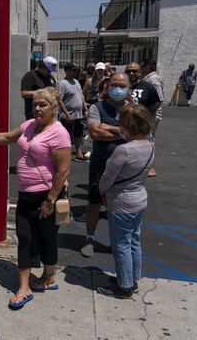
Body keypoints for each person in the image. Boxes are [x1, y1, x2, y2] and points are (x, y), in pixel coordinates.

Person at [0, 88, 71, 310]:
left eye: (42, 105)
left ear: (54, 107)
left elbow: (63, 171)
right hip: (26, 193)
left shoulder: (59, 133)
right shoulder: (29, 126)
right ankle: (26, 286)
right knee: (25, 237)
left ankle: (47, 278)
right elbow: (6, 137)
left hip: (47, 195)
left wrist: (51, 200)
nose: (37, 108)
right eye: (35, 104)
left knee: (47, 237)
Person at [97, 104, 154, 298]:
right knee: (134, 241)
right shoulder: (149, 145)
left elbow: (107, 178)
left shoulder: (123, 151)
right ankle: (131, 278)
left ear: (127, 126)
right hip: (139, 199)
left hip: (121, 203)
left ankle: (124, 285)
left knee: (121, 244)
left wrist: (101, 192)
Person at [79, 73, 130, 258]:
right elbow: (94, 133)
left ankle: (115, 241)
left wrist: (106, 128)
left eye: (122, 85)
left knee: (117, 205)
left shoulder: (133, 110)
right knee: (94, 202)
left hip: (125, 167)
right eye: (114, 84)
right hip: (100, 164)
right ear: (107, 88)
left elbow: (138, 134)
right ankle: (90, 238)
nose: (118, 88)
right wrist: (123, 133)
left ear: (129, 88)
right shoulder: (97, 108)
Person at [58, 63, 88, 161]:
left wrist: (85, 109)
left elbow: (81, 96)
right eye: (73, 70)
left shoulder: (76, 81)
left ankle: (79, 154)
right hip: (68, 115)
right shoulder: (62, 83)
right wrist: (67, 114)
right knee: (67, 137)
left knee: (78, 135)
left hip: (78, 114)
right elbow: (59, 100)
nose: (76, 72)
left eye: (76, 70)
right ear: (67, 71)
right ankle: (64, 156)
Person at [140, 59, 163, 177]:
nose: (140, 69)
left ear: (147, 67)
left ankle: (151, 168)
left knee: (150, 140)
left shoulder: (153, 79)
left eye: (142, 66)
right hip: (148, 114)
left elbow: (159, 99)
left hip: (151, 115)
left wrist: (148, 114)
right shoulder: (148, 78)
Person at [21, 56, 58, 120]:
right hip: (35, 114)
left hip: (48, 114)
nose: (50, 72)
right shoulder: (30, 76)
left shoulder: (50, 77)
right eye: (48, 70)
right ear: (42, 66)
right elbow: (24, 93)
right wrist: (42, 92)